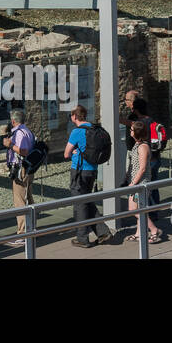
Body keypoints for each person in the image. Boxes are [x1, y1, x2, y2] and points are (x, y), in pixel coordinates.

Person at [64, 105, 109, 247]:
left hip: (79, 172)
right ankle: (103, 232)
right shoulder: (93, 128)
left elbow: (66, 154)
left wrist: (74, 152)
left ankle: (82, 239)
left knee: (80, 204)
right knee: (87, 201)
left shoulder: (76, 132)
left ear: (74, 117)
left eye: (71, 115)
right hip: (92, 170)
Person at [125, 120, 162, 243]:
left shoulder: (143, 147)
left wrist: (133, 183)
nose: (130, 131)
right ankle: (139, 233)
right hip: (136, 183)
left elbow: (142, 168)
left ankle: (154, 230)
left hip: (140, 184)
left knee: (135, 210)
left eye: (131, 130)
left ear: (136, 132)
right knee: (137, 209)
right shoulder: (138, 145)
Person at [2, 109, 34, 247]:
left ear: (13, 121)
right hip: (28, 169)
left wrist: (10, 145)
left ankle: (23, 234)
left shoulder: (19, 133)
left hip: (21, 169)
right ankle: (31, 229)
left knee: (20, 201)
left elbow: (24, 151)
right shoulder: (27, 131)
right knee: (28, 198)